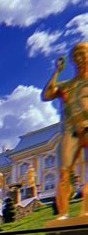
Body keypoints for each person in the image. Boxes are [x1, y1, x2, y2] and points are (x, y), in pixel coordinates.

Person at [42, 43, 88, 218]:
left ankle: (86, 211)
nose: (79, 58)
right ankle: (62, 215)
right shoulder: (67, 85)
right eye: (76, 56)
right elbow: (46, 95)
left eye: (83, 54)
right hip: (70, 131)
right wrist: (57, 72)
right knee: (63, 173)